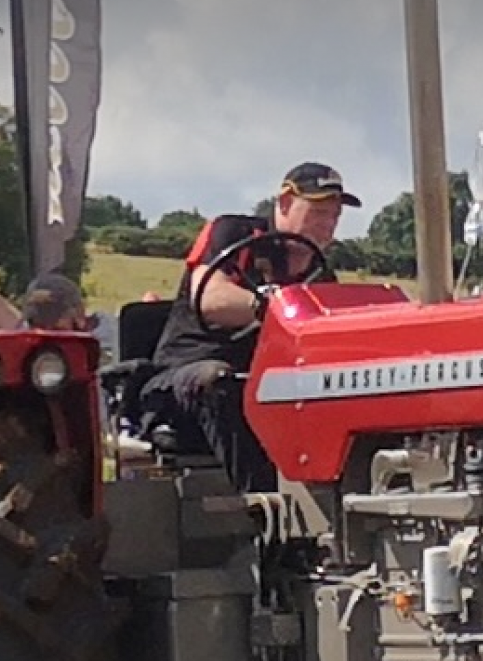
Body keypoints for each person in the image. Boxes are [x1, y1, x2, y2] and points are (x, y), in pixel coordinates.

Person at [141, 162, 362, 491]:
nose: (327, 225)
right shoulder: (233, 235)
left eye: (334, 216)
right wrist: (273, 307)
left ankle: (341, 495)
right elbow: (212, 299)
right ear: (284, 203)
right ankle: (266, 508)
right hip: (183, 380)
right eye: (317, 213)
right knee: (216, 380)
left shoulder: (320, 274)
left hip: (263, 384)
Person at [0, 258, 90, 332]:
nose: (46, 336)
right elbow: (2, 315)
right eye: (38, 326)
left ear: (79, 315)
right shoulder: (34, 341)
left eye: (56, 329)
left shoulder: (102, 343)